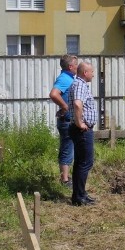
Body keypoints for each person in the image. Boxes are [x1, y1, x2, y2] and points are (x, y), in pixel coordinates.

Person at [68, 61, 98, 206]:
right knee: (85, 162)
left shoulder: (78, 84)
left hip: (80, 129)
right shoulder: (80, 84)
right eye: (91, 71)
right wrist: (80, 123)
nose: (93, 74)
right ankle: (79, 197)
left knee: (81, 163)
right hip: (82, 130)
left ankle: (80, 194)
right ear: (85, 73)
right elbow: (78, 104)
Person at [48, 54, 78, 187]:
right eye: (76, 65)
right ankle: (65, 180)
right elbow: (54, 94)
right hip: (66, 121)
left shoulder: (68, 77)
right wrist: (65, 106)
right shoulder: (65, 78)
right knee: (67, 148)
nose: (77, 67)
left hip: (67, 119)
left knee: (68, 148)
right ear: (70, 66)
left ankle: (65, 176)